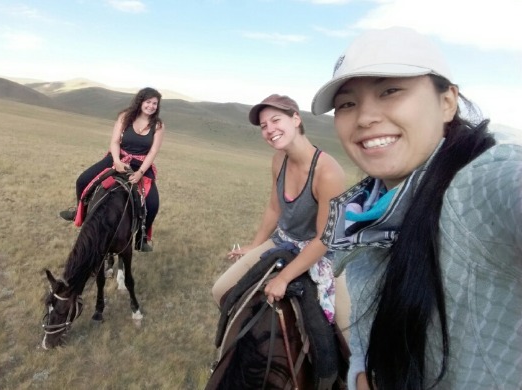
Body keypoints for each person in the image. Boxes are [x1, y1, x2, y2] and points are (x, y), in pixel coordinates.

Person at [311, 26, 522, 389]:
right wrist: (362, 369)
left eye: (390, 90)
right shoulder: (368, 212)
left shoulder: (484, 181)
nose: (364, 117)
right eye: (347, 103)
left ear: (447, 102)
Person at [211, 94, 345, 326]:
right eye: (264, 126)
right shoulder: (278, 160)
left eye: (276, 120)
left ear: (295, 119)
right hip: (281, 240)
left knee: (350, 335)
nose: (269, 129)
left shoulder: (328, 172)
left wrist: (283, 278)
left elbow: (324, 239)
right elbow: (275, 207)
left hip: (322, 252)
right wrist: (255, 245)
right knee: (221, 291)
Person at [59, 87, 165, 252]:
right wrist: (116, 161)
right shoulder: (125, 116)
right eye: (148, 102)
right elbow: (115, 141)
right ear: (141, 101)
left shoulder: (157, 125)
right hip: (117, 157)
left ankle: (141, 238)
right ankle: (80, 212)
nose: (151, 106)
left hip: (141, 165)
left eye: (155, 103)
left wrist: (140, 173)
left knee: (153, 203)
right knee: (83, 180)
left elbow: (153, 151)